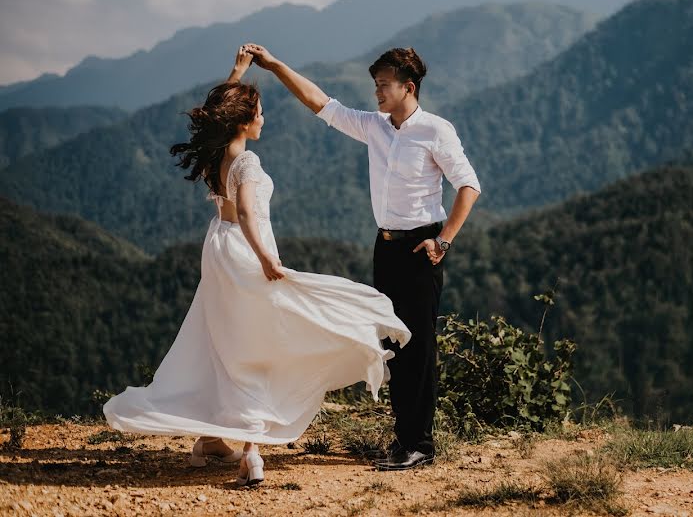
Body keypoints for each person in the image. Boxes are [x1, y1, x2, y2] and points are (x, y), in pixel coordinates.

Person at [103, 47, 411, 486]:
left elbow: (219, 114)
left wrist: (240, 71)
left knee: (225, 339)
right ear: (243, 121)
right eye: (259, 113)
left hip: (220, 250)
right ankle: (251, 448)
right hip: (247, 251)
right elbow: (247, 212)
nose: (264, 120)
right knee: (261, 342)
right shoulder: (247, 161)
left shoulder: (216, 155)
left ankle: (212, 439)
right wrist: (268, 259)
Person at [243, 43, 481, 471]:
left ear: (408, 87)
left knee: (418, 347)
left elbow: (469, 186)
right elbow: (321, 104)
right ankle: (403, 440)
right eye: (375, 86)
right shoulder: (375, 126)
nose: (377, 93)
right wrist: (276, 65)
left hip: (422, 246)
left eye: (384, 85)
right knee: (392, 343)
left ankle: (419, 446)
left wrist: (442, 241)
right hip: (386, 246)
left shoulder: (436, 131)